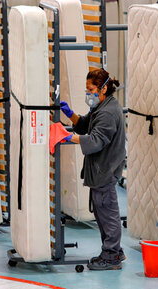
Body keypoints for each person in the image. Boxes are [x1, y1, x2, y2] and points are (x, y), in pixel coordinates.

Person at [60, 68, 126, 271]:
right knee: (102, 211)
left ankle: (112, 255)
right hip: (101, 168)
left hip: (105, 169)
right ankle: (113, 251)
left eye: (91, 89)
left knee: (107, 212)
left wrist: (68, 137)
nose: (88, 93)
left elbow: (96, 140)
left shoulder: (108, 112)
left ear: (103, 88)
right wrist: (69, 114)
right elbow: (87, 125)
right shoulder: (102, 106)